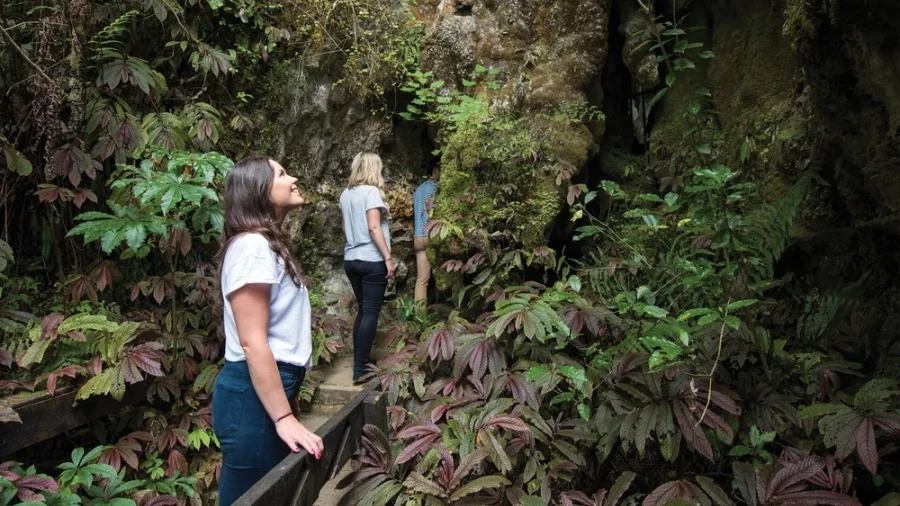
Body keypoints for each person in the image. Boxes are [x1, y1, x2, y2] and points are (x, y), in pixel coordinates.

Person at [212, 156, 324, 506]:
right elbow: (252, 341)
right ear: (259, 190)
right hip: (252, 399)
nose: (292, 178)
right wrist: (283, 417)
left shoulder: (262, 245)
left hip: (262, 394)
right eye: (281, 173)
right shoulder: (253, 248)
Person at [340, 152, 394, 384]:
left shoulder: (345, 194)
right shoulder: (371, 192)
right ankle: (360, 369)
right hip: (371, 259)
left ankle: (360, 362)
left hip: (351, 259)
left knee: (363, 310)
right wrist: (388, 258)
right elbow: (374, 227)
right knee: (371, 312)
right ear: (374, 169)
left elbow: (345, 228)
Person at [412, 166, 439, 306]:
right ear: (435, 171)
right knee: (449, 275)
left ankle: (419, 316)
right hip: (432, 235)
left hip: (418, 237)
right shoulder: (436, 188)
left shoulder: (418, 190)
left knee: (422, 280)